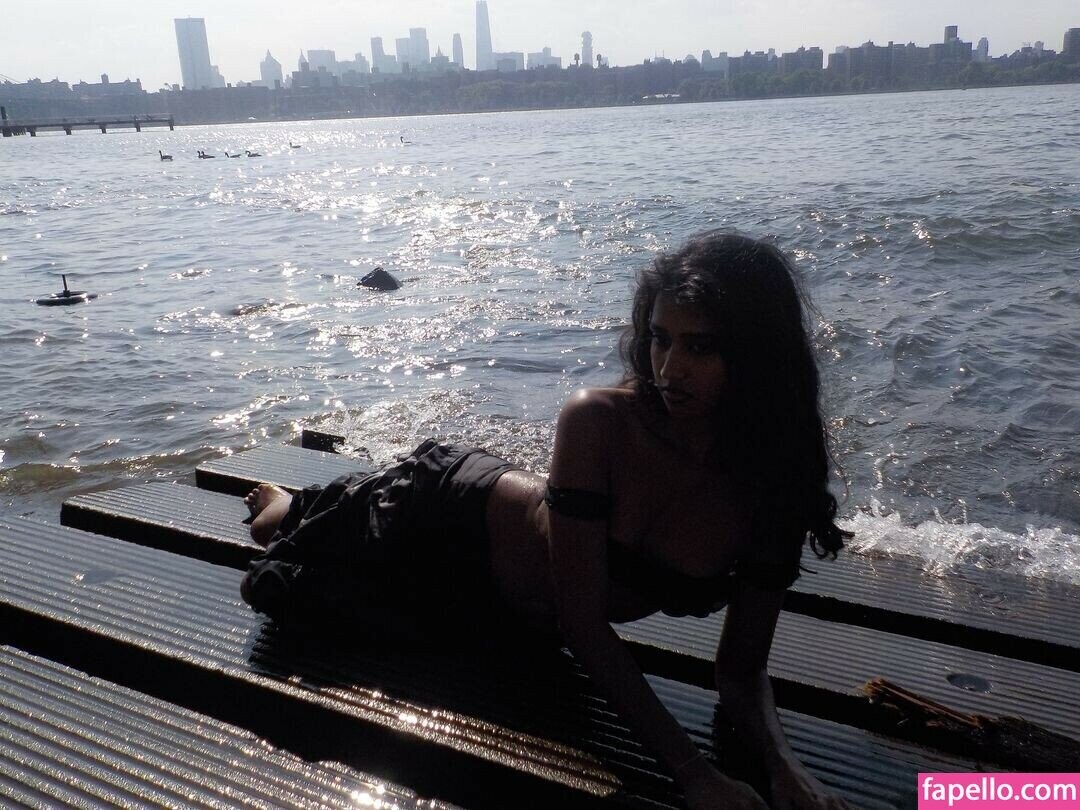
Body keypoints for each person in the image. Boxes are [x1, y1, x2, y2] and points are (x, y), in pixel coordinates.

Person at [241, 231, 852, 809]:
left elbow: (741, 669)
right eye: (660, 338)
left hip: (503, 623)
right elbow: (581, 624)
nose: (669, 370)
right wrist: (692, 772)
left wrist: (783, 766)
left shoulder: (773, 479)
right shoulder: (599, 422)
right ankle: (280, 496)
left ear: (757, 354)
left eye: (700, 347)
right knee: (280, 541)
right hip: (435, 525)